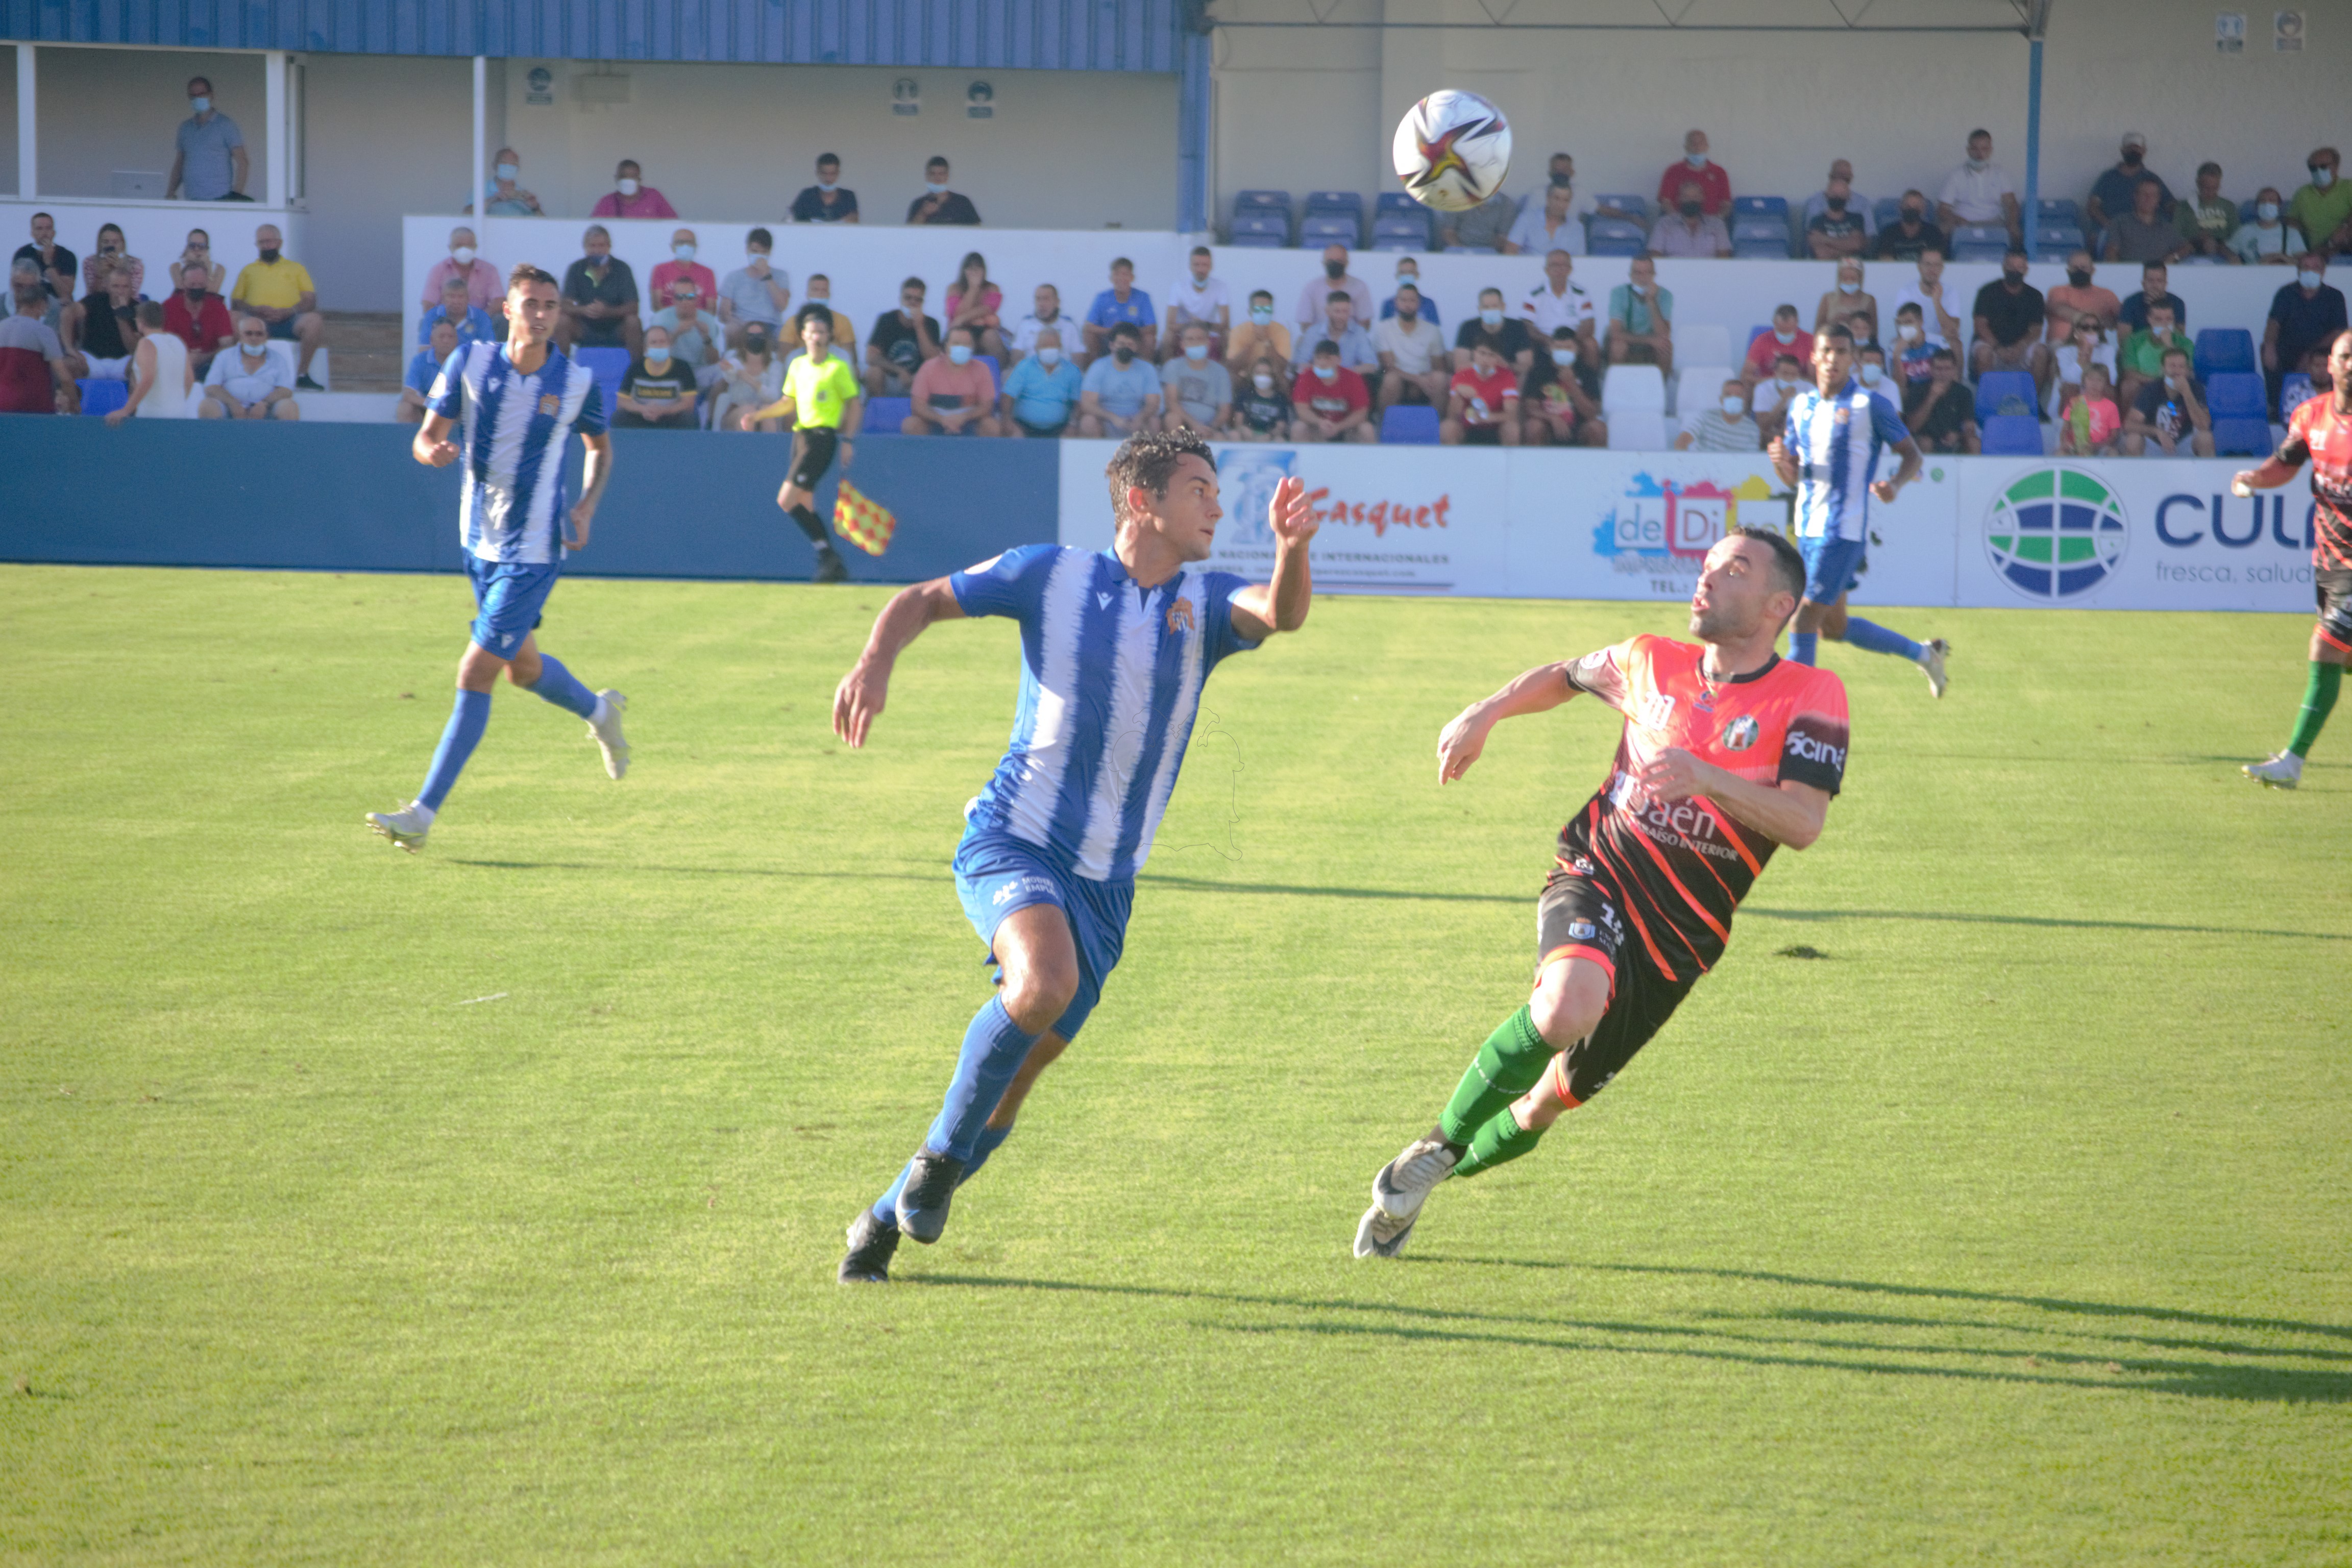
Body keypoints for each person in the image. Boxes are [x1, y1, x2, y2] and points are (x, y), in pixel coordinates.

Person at [833, 432, 1322, 1282]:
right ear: (1143, 503)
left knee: (1016, 1077)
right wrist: (874, 662)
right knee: (1040, 985)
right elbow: (918, 598)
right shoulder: (1047, 574)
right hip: (1012, 839)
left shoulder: (1204, 603)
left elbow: (1279, 614)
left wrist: (1290, 550)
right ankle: (939, 1167)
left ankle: (882, 1216)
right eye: (1199, 489)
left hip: (1106, 889)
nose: (1216, 506)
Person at [1352, 527, 1848, 1260]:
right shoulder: (1649, 658)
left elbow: (1803, 823)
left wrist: (1707, 777)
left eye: (1734, 569)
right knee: (1564, 1006)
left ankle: (1423, 1185)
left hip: (1683, 938)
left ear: (1780, 604)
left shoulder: (1813, 694)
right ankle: (1436, 1145)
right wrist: (1485, 712)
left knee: (1545, 1105)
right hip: (1599, 870)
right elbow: (1563, 675)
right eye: (1708, 564)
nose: (1707, 577)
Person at [366, 264, 625, 853]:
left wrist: (585, 507)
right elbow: (424, 436)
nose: (540, 314)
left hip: (534, 553)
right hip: (477, 543)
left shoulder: (575, 383)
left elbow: (600, 449)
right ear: (506, 309)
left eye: (550, 305)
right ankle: (600, 711)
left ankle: (422, 814)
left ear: (559, 314)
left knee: (475, 672)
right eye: (530, 303)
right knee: (523, 670)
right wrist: (432, 452)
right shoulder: (469, 362)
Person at [1769, 322, 1944, 692]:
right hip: (1807, 530)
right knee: (1834, 628)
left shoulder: (1869, 405)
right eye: (1826, 351)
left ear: (1854, 359)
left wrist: (1895, 484)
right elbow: (1795, 477)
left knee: (1801, 622)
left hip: (1843, 531)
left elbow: (1912, 454)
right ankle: (1925, 655)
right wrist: (1780, 462)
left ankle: (1792, 714)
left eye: (1842, 352)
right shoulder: (1800, 406)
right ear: (1813, 356)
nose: (1833, 359)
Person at [2236, 331, 2352, 788]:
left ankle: (2292, 762)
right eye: (2346, 357)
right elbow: (2284, 465)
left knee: (2325, 646)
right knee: (2342, 660)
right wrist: (2252, 477)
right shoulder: (2311, 415)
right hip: (2329, 557)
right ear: (2330, 364)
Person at [746, 305, 865, 584]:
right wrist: (759, 415)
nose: (817, 337)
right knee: (805, 503)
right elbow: (788, 402)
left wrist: (848, 440)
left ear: (829, 336)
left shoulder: (837, 367)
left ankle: (828, 557)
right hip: (801, 438)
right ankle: (830, 561)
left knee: (786, 500)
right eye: (812, 332)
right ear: (803, 336)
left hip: (822, 438)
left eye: (822, 332)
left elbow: (854, 404)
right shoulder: (797, 365)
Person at [231, 224, 327, 388]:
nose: (266, 246)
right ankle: (238, 371)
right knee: (232, 317)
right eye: (262, 242)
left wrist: (289, 311)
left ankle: (302, 375)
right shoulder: (248, 271)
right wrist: (255, 310)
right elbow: (236, 302)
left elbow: (310, 300)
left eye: (270, 241)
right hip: (257, 323)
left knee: (314, 320)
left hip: (290, 321)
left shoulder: (296, 269)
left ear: (280, 243)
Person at [2265, 255, 2349, 415]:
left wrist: (2311, 353)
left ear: (2323, 271)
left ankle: (2334, 408)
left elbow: (2339, 331)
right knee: (2268, 352)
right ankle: (2276, 407)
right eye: (2306, 267)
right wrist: (2269, 344)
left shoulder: (2335, 296)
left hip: (2322, 350)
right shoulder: (2286, 293)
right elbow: (2273, 323)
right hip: (2289, 347)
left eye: (2315, 267)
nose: (2310, 271)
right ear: (2298, 271)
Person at [1970, 248, 2049, 396]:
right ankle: (1988, 401)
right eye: (2011, 266)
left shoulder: (2035, 296)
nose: (2015, 271)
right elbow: (1980, 325)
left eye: (2019, 267)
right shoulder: (1987, 292)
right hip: (1993, 345)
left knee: (2041, 352)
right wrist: (1998, 348)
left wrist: (2020, 347)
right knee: (1983, 352)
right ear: (2004, 267)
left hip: (2022, 347)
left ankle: (2033, 402)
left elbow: (2037, 329)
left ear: (2026, 270)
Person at [0, 261, 76, 414]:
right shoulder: (44, 332)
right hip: (35, 407)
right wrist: (75, 405)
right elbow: (65, 378)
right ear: (42, 305)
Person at [558, 227, 642, 356]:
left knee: (633, 322)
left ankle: (636, 370)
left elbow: (633, 307)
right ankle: (561, 370)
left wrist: (607, 311)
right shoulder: (576, 269)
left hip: (617, 327)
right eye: (593, 246)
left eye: (601, 246)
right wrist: (584, 310)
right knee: (562, 321)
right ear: (585, 248)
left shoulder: (622, 269)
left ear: (609, 247)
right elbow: (564, 305)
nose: (597, 250)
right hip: (585, 327)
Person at [904, 326, 1002, 436]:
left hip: (970, 421)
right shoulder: (928, 368)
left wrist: (964, 417)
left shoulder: (982, 369)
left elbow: (986, 407)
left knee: (993, 427)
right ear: (946, 346)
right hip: (935, 421)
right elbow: (918, 406)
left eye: (966, 344)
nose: (962, 348)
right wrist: (942, 419)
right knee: (911, 425)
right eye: (956, 344)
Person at [200, 314, 300, 421]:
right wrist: (233, 403)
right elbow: (211, 387)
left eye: (259, 334)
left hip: (267, 409)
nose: (254, 338)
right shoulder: (224, 356)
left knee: (289, 407)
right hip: (229, 408)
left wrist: (264, 404)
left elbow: (286, 390)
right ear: (240, 336)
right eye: (249, 333)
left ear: (266, 337)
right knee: (207, 406)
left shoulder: (278, 359)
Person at [109, 301, 193, 424]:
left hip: (153, 419)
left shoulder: (147, 343)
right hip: (179, 416)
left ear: (141, 322)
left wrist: (126, 411)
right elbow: (189, 380)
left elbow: (148, 379)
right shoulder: (178, 342)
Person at [168, 76, 247, 202]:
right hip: (192, 198)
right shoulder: (185, 128)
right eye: (193, 96)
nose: (197, 98)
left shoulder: (225, 125)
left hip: (220, 199)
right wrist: (170, 193)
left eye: (201, 94)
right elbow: (179, 164)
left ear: (211, 95)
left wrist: (236, 195)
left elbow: (243, 162)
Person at [1075, 322, 1161, 438]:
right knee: (1088, 421)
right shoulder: (1098, 367)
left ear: (1136, 347)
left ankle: (1149, 456)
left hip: (1137, 422)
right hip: (1106, 421)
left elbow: (1153, 404)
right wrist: (1113, 418)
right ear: (1112, 345)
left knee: (1154, 422)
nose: (1125, 348)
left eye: (1130, 344)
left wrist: (1140, 418)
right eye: (1121, 344)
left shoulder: (1147, 369)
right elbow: (1087, 404)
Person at [1520, 328, 1603, 447]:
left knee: (1597, 428)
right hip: (1548, 426)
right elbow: (1530, 408)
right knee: (1533, 427)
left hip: (1579, 428)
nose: (1563, 351)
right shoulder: (1539, 371)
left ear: (1577, 349)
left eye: (1568, 348)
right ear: (1551, 348)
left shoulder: (1587, 372)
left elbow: (1592, 414)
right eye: (1558, 347)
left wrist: (1573, 386)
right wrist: (1552, 418)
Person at [2123, 345, 2211, 457]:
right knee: (2133, 440)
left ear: (2187, 370)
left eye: (2181, 367)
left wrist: (2187, 392)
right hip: (2156, 444)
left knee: (2206, 438)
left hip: (2184, 443)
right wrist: (2157, 432)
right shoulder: (2151, 389)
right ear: (2163, 368)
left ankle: (2204, 475)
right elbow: (2129, 424)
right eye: (2172, 366)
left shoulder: (2196, 388)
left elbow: (2204, 426)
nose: (2177, 371)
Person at [1373, 283, 1448, 412]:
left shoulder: (1433, 330)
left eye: (1412, 300)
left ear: (1419, 303)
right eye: (1403, 300)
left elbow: (1439, 366)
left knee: (1440, 379)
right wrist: (1418, 380)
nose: (1408, 305)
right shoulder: (1383, 328)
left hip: (1425, 376)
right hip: (1399, 378)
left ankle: (1437, 427)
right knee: (1391, 380)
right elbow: (1388, 366)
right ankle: (1384, 427)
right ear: (1396, 302)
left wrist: (1424, 380)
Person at [61, 259, 139, 381]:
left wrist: (121, 316)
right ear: (108, 287)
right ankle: (73, 401)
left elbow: (134, 349)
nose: (120, 291)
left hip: (123, 362)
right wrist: (69, 348)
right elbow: (68, 313)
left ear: (131, 289)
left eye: (125, 287)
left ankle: (133, 401)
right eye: (116, 286)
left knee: (141, 366)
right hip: (92, 360)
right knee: (66, 365)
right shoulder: (96, 301)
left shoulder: (137, 309)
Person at [1937, 128, 2019, 242]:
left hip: (1994, 222)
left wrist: (2012, 222)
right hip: (1962, 222)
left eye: (1984, 149)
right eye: (1975, 149)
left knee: (2017, 233)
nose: (1979, 154)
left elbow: (2011, 203)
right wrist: (1956, 219)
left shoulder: (2000, 174)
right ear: (1968, 150)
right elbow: (1943, 209)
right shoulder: (1956, 175)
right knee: (1942, 230)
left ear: (1991, 150)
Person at [865, 276, 941, 398]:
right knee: (873, 372)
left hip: (919, 380)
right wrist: (900, 371)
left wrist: (919, 326)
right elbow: (871, 356)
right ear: (901, 299)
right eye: (908, 298)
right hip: (891, 377)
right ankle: (879, 411)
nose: (912, 303)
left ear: (923, 303)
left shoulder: (931, 324)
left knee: (936, 375)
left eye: (918, 300)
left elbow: (933, 359)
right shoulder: (887, 320)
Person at [998, 327, 1081, 437]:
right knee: (1014, 435)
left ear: (1060, 347)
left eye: (1053, 346)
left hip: (1060, 428)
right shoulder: (1024, 367)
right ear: (1036, 348)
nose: (1049, 350)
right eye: (1045, 346)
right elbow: (1008, 396)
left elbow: (1077, 403)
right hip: (1024, 426)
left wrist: (1073, 424)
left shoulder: (1072, 371)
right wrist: (1007, 420)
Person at [2087, 132, 2173, 238]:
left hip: (2144, 232)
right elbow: (2092, 207)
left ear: (2144, 151)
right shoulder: (2108, 177)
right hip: (2111, 231)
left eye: (2137, 148)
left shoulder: (2152, 179)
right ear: (2122, 150)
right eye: (2129, 148)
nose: (2133, 151)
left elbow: (2170, 205)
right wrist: (2110, 226)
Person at [718, 229, 793, 350]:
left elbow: (782, 305)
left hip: (772, 325)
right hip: (743, 325)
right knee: (730, 329)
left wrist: (767, 277)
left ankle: (782, 368)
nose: (758, 256)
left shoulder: (781, 275)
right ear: (747, 250)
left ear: (769, 253)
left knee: (786, 335)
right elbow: (723, 314)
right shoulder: (734, 277)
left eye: (763, 252)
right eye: (754, 251)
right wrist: (734, 321)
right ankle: (731, 362)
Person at [612, 325, 698, 430]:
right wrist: (644, 409)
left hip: (670, 417)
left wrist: (664, 410)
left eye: (662, 342)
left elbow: (688, 404)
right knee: (619, 418)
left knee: (688, 419)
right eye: (654, 343)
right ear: (646, 348)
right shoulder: (635, 368)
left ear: (670, 344)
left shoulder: (683, 368)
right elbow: (622, 402)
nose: (659, 346)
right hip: (641, 417)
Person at [1440, 333, 1520, 446]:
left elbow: (1512, 415)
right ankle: (1452, 464)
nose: (1485, 360)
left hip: (1496, 427)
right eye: (1482, 353)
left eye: (1491, 355)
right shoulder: (1461, 375)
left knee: (1512, 428)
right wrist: (1458, 394)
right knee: (1448, 427)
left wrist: (1485, 417)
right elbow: (1452, 416)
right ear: (1474, 354)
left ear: (1497, 358)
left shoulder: (1507, 376)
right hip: (1467, 427)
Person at [1289, 339, 1373, 443]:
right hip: (1317, 428)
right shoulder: (1306, 377)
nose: (1322, 363)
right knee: (1299, 428)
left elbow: (1361, 413)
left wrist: (1339, 427)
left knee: (1367, 429)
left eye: (1328, 358)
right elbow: (1302, 410)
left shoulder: (1353, 378)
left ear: (1339, 360)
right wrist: (1320, 422)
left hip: (1346, 429)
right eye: (1318, 358)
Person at [1289, 290, 1379, 385]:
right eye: (1337, 311)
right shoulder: (1314, 332)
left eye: (1345, 311)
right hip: (1318, 381)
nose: (1341, 316)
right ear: (1327, 311)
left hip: (1349, 382)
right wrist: (1325, 373)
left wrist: (1340, 374)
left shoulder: (1359, 332)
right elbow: (1301, 364)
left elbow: (1371, 365)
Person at [1157, 323, 1232, 435]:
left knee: (1221, 438)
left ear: (1208, 343)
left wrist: (1209, 428)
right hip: (1183, 423)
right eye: (1190, 339)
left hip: (1210, 427)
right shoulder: (1173, 366)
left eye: (1200, 339)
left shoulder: (1221, 372)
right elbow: (1171, 402)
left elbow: (1225, 411)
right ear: (1182, 344)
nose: (1195, 343)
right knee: (1172, 418)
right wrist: (1194, 425)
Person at [162, 265, 235, 378]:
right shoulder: (169, 307)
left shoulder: (218, 308)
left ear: (207, 284)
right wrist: (187, 358)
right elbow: (166, 344)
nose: (197, 288)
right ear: (183, 283)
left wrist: (203, 358)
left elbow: (227, 345)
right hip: (177, 365)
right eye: (192, 285)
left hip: (210, 365)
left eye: (201, 285)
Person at [709, 328, 785, 433]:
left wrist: (748, 378)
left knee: (768, 413)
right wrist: (730, 370)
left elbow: (774, 397)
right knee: (748, 412)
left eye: (759, 336)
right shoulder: (735, 360)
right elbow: (730, 375)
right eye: (751, 336)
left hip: (764, 413)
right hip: (736, 411)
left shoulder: (776, 366)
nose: (755, 339)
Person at [2117, 299, 2188, 410]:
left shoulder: (2185, 342)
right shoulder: (2134, 340)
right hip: (2145, 384)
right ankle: (2128, 425)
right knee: (2129, 386)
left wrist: (2169, 345)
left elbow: (2188, 373)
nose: (2165, 324)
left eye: (2169, 319)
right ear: (2150, 319)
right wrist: (2157, 383)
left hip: (2174, 384)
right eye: (2159, 320)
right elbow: (2129, 373)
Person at [1905, 345, 1978, 453]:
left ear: (1954, 370)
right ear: (1931, 369)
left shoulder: (1964, 392)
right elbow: (1912, 427)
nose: (1943, 373)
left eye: (1947, 369)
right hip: (1926, 439)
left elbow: (1970, 427)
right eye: (1939, 369)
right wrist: (1931, 398)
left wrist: (1958, 436)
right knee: (1925, 442)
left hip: (1955, 440)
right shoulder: (1917, 390)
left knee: (1974, 443)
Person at [1085, 257, 1157, 364]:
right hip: (1110, 339)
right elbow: (1088, 326)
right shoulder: (1102, 298)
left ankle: (1146, 369)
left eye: (1125, 274)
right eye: (1117, 274)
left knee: (1150, 338)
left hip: (1134, 339)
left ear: (1132, 278)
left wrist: (1128, 332)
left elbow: (1152, 328)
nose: (1121, 278)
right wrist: (1113, 331)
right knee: (1088, 334)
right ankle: (1095, 368)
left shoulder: (1143, 297)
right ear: (1111, 278)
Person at [1521, 249, 1595, 352]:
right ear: (1546, 270)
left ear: (1570, 269)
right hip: (1544, 341)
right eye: (1554, 265)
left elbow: (1589, 324)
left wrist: (1571, 342)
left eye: (1563, 265)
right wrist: (1548, 341)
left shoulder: (1581, 293)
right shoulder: (1534, 294)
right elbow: (1526, 324)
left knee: (1591, 344)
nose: (1559, 269)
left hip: (1574, 340)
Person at [2104, 174, 2189, 265]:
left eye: (2153, 195)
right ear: (2135, 197)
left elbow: (2187, 247)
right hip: (2129, 274)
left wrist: (2174, 256)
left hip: (2158, 277)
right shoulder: (2120, 222)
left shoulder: (2166, 227)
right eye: (2144, 194)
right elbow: (2111, 251)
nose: (2148, 199)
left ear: (2158, 200)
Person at [2044, 251, 2120, 349]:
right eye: (2075, 268)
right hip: (2062, 344)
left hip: (2095, 345)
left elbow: (2122, 319)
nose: (2080, 271)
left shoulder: (2107, 294)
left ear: (2093, 270)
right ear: (2068, 271)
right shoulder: (2057, 291)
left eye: (2084, 268)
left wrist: (2110, 322)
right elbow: (2062, 310)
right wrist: (2099, 320)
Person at [1164, 247, 1230, 359]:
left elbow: (1226, 324)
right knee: (1167, 336)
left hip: (1209, 333)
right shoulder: (1178, 287)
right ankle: (1167, 372)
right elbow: (1170, 324)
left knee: (1228, 336)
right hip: (1185, 333)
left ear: (1211, 267)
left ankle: (1225, 373)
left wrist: (1204, 325)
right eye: (1197, 265)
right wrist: (1191, 325)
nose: (1200, 269)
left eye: (1205, 265)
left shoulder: (1220, 287)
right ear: (1190, 266)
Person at [1889, 249, 1962, 349]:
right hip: (1915, 342)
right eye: (1928, 264)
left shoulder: (1951, 292)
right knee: (1895, 344)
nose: (1932, 269)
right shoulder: (1907, 292)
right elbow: (1901, 328)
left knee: (1956, 344)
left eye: (1937, 265)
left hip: (1941, 345)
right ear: (1919, 267)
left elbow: (1953, 330)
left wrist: (1936, 302)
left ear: (1942, 268)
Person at [422, 228, 503, 317]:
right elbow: (428, 304)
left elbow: (499, 301)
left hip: (480, 322)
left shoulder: (489, 270)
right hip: (446, 321)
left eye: (468, 246)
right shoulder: (438, 270)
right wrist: (445, 324)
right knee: (426, 322)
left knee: (501, 320)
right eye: (459, 246)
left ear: (475, 247)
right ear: (450, 248)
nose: (464, 250)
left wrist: (480, 320)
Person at [2287, 149, 2352, 260]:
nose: (2318, 171)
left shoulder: (2349, 187)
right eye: (2313, 168)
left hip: (2346, 249)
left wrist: (2345, 228)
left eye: (2323, 167)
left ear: (2336, 166)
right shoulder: (2302, 193)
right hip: (2318, 254)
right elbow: (2291, 221)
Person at [945, 252, 1007, 363]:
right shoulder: (954, 289)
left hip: (984, 330)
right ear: (964, 271)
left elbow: (987, 309)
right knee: (958, 339)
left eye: (977, 269)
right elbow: (956, 314)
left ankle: (999, 373)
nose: (974, 273)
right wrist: (973, 289)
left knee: (991, 337)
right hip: (959, 330)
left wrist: (963, 319)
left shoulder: (992, 288)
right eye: (970, 269)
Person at [1293, 246, 1370, 334]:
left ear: (1347, 263)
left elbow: (1365, 323)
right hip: (1319, 343)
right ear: (1324, 263)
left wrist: (1350, 340)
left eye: (1339, 261)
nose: (1335, 264)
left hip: (1352, 341)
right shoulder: (1311, 288)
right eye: (1330, 261)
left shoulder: (1360, 286)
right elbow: (1305, 324)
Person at [1649, 181, 1733, 258]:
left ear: (1702, 198)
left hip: (1709, 273)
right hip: (1674, 272)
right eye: (1686, 197)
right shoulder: (1664, 224)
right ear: (1679, 199)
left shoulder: (1717, 224)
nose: (1691, 201)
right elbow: (1655, 255)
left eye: (1695, 197)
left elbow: (1724, 255)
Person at [399, 319, 461, 424]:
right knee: (405, 407)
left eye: (450, 337)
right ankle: (408, 439)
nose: (446, 341)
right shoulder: (420, 361)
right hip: (428, 408)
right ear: (432, 340)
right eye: (442, 337)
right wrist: (433, 405)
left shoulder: (465, 361)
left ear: (457, 341)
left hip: (457, 411)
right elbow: (408, 395)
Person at [648, 280, 719, 372]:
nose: (685, 301)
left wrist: (706, 339)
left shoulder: (708, 320)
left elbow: (714, 362)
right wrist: (676, 333)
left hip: (699, 369)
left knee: (721, 371)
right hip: (670, 369)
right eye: (680, 297)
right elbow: (654, 356)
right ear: (673, 299)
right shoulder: (660, 318)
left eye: (690, 297)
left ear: (696, 299)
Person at [1505, 179, 1587, 257]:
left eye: (1566, 200)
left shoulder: (1577, 228)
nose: (1561, 205)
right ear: (1548, 198)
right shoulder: (1527, 218)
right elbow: (1510, 250)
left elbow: (1579, 260)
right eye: (1557, 198)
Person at [2054, 312, 2118, 412]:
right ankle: (2068, 425)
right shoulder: (2064, 351)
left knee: (2110, 390)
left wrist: (2094, 383)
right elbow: (2067, 378)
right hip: (2076, 388)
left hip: (2099, 387)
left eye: (2095, 328)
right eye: (2085, 328)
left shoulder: (2107, 350)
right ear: (2076, 332)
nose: (2091, 331)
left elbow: (2112, 378)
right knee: (2070, 388)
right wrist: (2082, 360)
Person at [1656, 128, 1730, 215]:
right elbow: (1666, 202)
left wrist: (1716, 222)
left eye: (1701, 143)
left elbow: (1726, 203)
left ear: (1707, 146)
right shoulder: (1673, 171)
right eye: (1693, 143)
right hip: (1678, 223)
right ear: (1686, 147)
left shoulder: (1719, 172)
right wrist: (1678, 222)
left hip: (1711, 223)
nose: (1697, 147)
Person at [2175, 162, 2238, 261]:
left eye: (2215, 188)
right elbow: (2175, 238)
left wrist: (2217, 244)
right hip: (2190, 255)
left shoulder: (2228, 207)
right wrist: (2197, 240)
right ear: (2198, 183)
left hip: (2222, 255)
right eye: (2206, 188)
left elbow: (2237, 238)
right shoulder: (2184, 207)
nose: (2210, 192)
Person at [1674, 378, 1758, 451]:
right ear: (1721, 400)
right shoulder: (1705, 417)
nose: (1733, 398)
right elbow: (1681, 442)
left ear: (1745, 400)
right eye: (1728, 395)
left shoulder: (1752, 429)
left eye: (1738, 395)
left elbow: (1749, 461)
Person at [418, 275, 497, 351]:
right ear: (442, 299)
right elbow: (424, 349)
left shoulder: (481, 317)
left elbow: (489, 350)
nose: (456, 301)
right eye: (451, 296)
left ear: (468, 299)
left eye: (461, 297)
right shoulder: (432, 316)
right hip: (439, 363)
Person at [647, 229, 717, 314]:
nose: (685, 246)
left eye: (689, 243)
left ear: (696, 247)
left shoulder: (707, 273)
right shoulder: (660, 270)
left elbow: (711, 309)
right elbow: (656, 306)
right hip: (667, 318)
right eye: (680, 242)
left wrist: (692, 321)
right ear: (672, 247)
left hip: (699, 320)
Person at [2231, 188, 2307, 266]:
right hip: (2254, 275)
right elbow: (2228, 249)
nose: (2267, 204)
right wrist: (2233, 258)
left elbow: (2304, 261)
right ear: (2256, 207)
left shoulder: (2292, 233)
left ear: (2279, 206)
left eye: (2272, 201)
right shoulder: (2244, 231)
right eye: (2263, 201)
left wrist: (2281, 258)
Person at [1742, 304, 1811, 388]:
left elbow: (1813, 377)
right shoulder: (1762, 341)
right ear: (1774, 323)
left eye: (1788, 331)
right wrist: (1770, 382)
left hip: (1798, 388)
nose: (1784, 334)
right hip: (1768, 387)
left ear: (1797, 323)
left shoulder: (1808, 341)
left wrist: (1796, 383)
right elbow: (1746, 375)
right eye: (1781, 330)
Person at [1802, 160, 1876, 240]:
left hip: (1855, 252)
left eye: (1846, 177)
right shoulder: (1815, 202)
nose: (1842, 180)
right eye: (1839, 175)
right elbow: (1813, 239)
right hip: (1825, 251)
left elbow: (1869, 236)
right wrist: (1847, 244)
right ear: (1830, 176)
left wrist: (1826, 240)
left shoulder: (1863, 203)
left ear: (1851, 178)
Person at [2060, 363, 2122, 457]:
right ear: (2084, 381)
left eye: (2100, 380)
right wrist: (2067, 444)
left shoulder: (2111, 407)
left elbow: (2114, 436)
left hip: (2100, 448)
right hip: (2076, 447)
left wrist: (2096, 446)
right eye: (2090, 379)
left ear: (2106, 383)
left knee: (2113, 454)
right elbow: (2065, 429)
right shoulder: (2075, 403)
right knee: (2060, 454)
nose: (2094, 384)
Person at [1227, 357, 1293, 442]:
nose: (1262, 376)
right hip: (1247, 435)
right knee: (1234, 434)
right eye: (1259, 373)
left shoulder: (1280, 398)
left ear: (1273, 376)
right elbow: (1238, 422)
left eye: (1266, 373)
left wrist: (1269, 436)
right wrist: (1248, 433)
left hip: (1269, 437)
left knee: (1280, 440)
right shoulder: (1245, 394)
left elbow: (1281, 427)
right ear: (1252, 375)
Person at [1010, 283, 1077, 364]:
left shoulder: (1069, 327)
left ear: (1057, 302)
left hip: (1062, 373)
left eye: (1046, 299)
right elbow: (1016, 360)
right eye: (1038, 299)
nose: (1041, 304)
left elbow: (1079, 363)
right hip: (1031, 373)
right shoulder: (1024, 326)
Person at [1872, 191, 1946, 262]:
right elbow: (1885, 261)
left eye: (1916, 207)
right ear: (1900, 208)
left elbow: (1938, 261)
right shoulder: (1888, 232)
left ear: (1924, 210)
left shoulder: (1933, 233)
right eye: (1908, 206)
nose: (1912, 210)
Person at [1805, 175, 1868, 260]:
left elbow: (1856, 244)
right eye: (1834, 194)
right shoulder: (1817, 221)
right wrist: (1847, 249)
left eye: (1842, 194)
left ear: (1848, 196)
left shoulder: (1857, 218)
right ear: (1826, 195)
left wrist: (1824, 239)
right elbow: (1822, 254)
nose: (1838, 197)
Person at [2116, 260, 2187, 335]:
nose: (2155, 286)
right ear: (2143, 284)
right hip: (2138, 346)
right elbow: (2123, 340)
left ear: (2166, 284)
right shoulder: (2130, 303)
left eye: (2159, 281)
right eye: (2150, 281)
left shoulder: (2177, 303)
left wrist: (2160, 306)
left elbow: (2180, 337)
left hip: (2168, 345)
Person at [1226, 289, 1290, 372]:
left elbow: (1283, 367)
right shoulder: (1238, 331)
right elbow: (1233, 366)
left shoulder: (1282, 331)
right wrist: (1253, 341)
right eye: (1258, 310)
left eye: (1267, 310)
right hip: (1246, 375)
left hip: (1271, 375)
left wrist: (1267, 341)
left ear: (1272, 312)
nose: (1262, 314)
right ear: (1250, 312)